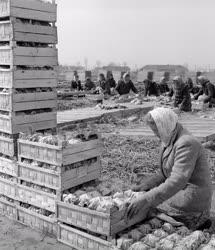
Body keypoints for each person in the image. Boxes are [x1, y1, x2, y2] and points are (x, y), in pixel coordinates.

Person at [128, 107, 212, 230]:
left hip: (191, 197)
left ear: (164, 125)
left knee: (148, 209)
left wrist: (146, 199)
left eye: (156, 131)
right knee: (146, 201)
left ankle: (196, 221)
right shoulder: (168, 137)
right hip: (180, 191)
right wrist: (146, 185)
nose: (155, 135)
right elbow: (166, 172)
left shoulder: (186, 143)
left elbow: (177, 180)